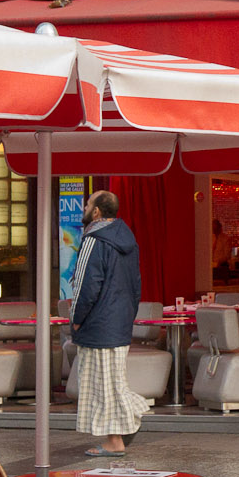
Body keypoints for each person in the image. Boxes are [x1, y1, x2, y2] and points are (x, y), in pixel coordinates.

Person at [69, 190, 149, 456]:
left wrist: (77, 320)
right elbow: (136, 284)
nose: (84, 206)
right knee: (112, 383)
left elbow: (83, 286)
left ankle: (121, 433)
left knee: (105, 386)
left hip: (98, 324)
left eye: (88, 203)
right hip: (119, 322)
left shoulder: (94, 240)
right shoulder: (129, 240)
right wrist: (127, 316)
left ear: (96, 212)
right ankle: (119, 432)